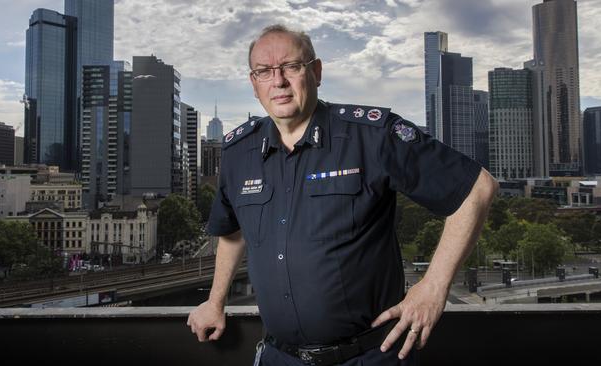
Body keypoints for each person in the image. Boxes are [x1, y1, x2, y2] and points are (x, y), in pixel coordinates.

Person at [187, 24, 498, 365]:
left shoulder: (372, 136)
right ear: (254, 83)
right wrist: (216, 301)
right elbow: (232, 232)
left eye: (291, 67)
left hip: (368, 356)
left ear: (316, 72)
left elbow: (477, 189)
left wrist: (434, 288)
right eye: (264, 71)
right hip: (280, 356)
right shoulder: (237, 153)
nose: (278, 81)